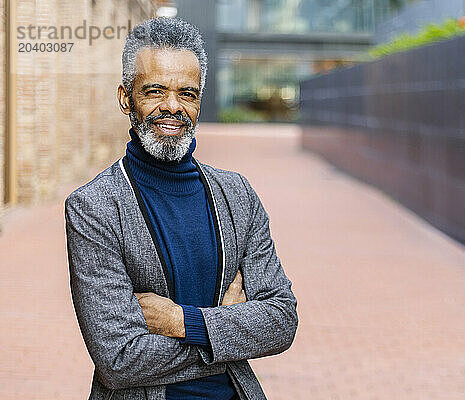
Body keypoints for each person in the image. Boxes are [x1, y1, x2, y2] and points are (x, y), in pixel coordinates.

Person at [65, 17, 298, 400]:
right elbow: (118, 360)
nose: (171, 107)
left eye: (187, 93)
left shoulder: (237, 195)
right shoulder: (94, 208)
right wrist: (230, 330)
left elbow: (281, 321)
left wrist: (180, 321)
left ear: (199, 101)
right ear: (127, 98)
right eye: (155, 91)